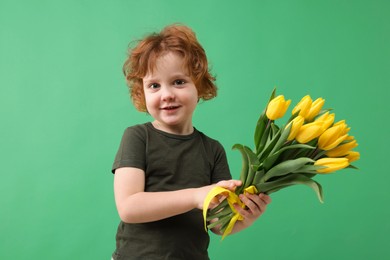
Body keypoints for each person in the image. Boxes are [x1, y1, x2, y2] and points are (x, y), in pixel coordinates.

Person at [111, 24, 271, 260]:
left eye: (178, 82)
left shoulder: (212, 150)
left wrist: (245, 217)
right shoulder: (137, 137)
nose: (166, 94)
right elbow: (129, 207)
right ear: (142, 93)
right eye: (154, 85)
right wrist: (197, 196)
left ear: (199, 85)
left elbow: (217, 223)